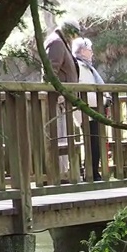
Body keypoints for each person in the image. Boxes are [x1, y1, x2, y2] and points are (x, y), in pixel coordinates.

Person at [43, 20, 82, 174]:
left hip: (64, 99)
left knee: (64, 136)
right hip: (58, 99)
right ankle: (61, 173)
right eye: (74, 32)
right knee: (59, 136)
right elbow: (50, 71)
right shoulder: (56, 43)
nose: (74, 36)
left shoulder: (60, 42)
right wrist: (58, 92)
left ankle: (64, 171)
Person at [72, 37, 107, 181]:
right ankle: (91, 174)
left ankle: (92, 172)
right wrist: (104, 100)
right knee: (92, 142)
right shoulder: (79, 66)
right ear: (81, 51)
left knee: (94, 141)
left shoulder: (85, 67)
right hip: (86, 109)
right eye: (89, 49)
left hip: (91, 108)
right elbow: (85, 90)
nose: (92, 52)